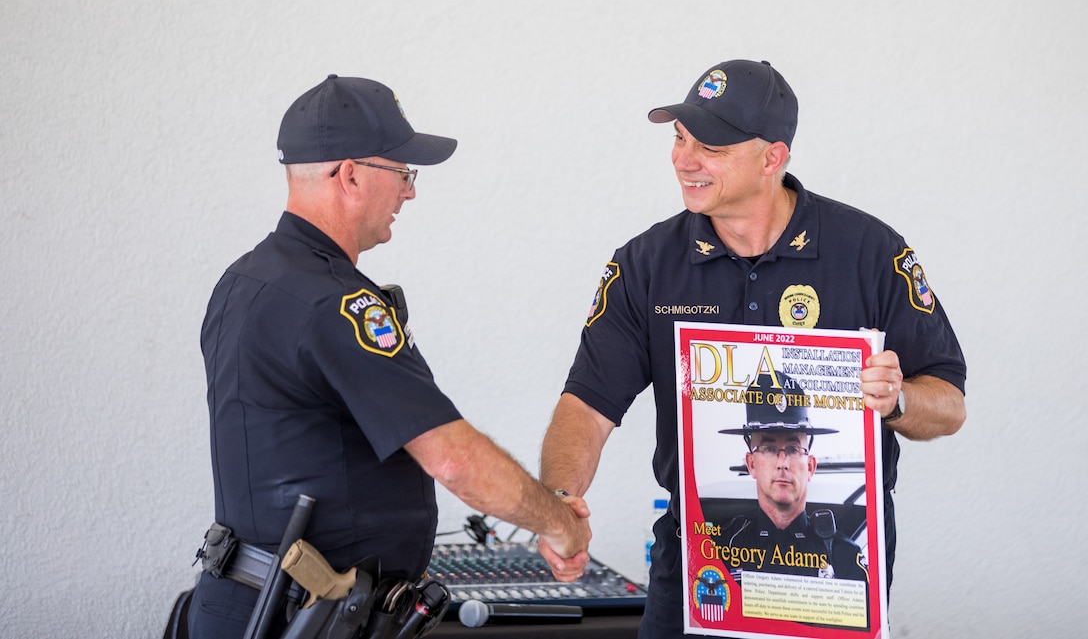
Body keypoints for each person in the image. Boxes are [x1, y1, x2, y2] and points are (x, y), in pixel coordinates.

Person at [538, 59, 966, 637]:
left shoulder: (870, 252)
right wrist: (558, 502)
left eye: (711, 145)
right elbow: (586, 405)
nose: (684, 160)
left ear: (772, 158)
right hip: (696, 576)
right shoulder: (645, 265)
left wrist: (897, 401)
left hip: (834, 582)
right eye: (680, 138)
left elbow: (949, 402)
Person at [187, 74, 590, 639]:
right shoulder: (336, 303)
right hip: (301, 618)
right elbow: (453, 459)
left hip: (244, 602)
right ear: (350, 174)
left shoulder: (243, 280)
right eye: (402, 172)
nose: (410, 191)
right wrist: (558, 524)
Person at [714, 373, 868, 584]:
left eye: (794, 449)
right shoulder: (722, 549)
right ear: (751, 464)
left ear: (811, 467)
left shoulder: (843, 558)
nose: (783, 462)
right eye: (769, 448)